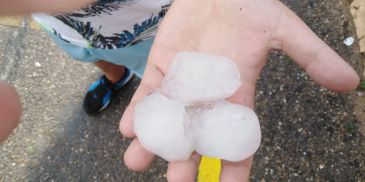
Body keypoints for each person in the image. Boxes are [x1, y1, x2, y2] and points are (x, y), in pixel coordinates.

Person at [0, 0, 360, 181]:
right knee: (90, 53)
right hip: (71, 29)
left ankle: (126, 73)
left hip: (165, 19)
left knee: (148, 64)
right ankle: (115, 76)